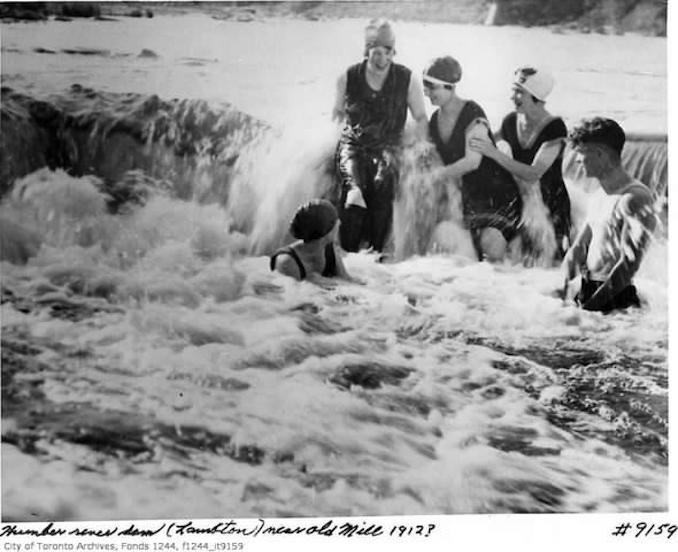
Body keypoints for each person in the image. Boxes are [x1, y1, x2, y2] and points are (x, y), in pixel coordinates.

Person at [332, 18, 428, 254]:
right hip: (354, 144)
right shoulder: (348, 76)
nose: (382, 58)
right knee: (354, 189)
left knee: (382, 184)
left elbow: (420, 117)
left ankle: (375, 255)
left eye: (388, 52)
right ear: (367, 51)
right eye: (376, 52)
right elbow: (336, 116)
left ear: (393, 51)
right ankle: (349, 255)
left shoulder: (407, 78)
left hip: (389, 145)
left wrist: (421, 145)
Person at [423, 56, 523, 262]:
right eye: (425, 86)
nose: (426, 92)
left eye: (431, 86)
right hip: (467, 198)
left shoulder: (473, 114)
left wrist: (436, 175)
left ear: (449, 86)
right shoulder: (434, 120)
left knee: (491, 251)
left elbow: (472, 161)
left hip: (496, 196)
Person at [469, 66, 571, 261]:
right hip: (520, 201)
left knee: (547, 265)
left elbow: (534, 173)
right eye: (513, 90)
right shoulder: (510, 121)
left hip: (549, 206)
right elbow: (486, 143)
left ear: (535, 95)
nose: (512, 97)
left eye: (519, 92)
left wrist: (494, 153)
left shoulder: (554, 128)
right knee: (509, 261)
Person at [562, 117, 656, 313]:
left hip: (616, 302)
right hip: (587, 291)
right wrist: (564, 291)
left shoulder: (634, 198)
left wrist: (590, 310)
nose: (577, 160)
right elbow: (578, 247)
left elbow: (628, 266)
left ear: (600, 154)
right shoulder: (598, 195)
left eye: (580, 153)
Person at [270, 199, 353, 282]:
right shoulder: (287, 262)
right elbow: (286, 292)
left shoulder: (330, 251)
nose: (339, 223)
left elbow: (348, 281)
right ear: (325, 231)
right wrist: (309, 284)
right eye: (335, 221)